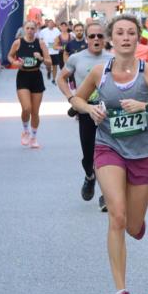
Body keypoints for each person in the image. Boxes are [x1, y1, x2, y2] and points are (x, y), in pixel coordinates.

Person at [69, 15, 148, 294]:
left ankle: (136, 220)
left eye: (131, 32)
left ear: (138, 38)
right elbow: (76, 100)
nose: (126, 37)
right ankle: (121, 292)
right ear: (111, 39)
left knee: (132, 225)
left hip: (144, 153)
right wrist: (90, 108)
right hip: (109, 148)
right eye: (119, 33)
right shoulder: (98, 72)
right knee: (116, 217)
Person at [58, 21, 112, 203]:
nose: (96, 39)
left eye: (100, 36)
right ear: (86, 39)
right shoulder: (76, 58)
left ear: (104, 38)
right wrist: (71, 98)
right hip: (86, 110)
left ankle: (106, 193)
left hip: (108, 111)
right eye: (92, 36)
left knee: (109, 152)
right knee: (88, 154)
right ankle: (90, 176)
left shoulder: (113, 58)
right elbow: (61, 78)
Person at [8, 20, 52, 148]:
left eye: (32, 28)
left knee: (35, 111)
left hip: (36, 76)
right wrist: (15, 63)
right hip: (23, 76)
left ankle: (33, 137)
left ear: (36, 29)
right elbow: (10, 57)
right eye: (28, 28)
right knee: (26, 108)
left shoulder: (41, 43)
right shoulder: (18, 42)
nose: (30, 31)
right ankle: (25, 131)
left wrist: (41, 58)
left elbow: (49, 62)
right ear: (24, 29)